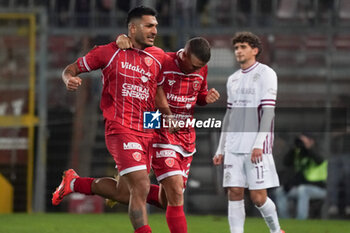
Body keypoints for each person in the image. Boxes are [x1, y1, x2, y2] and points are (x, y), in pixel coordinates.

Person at [52, 6, 170, 233]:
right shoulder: (109, 51)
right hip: (120, 128)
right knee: (142, 185)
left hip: (148, 128)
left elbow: (156, 91)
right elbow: (71, 69)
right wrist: (68, 79)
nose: (154, 30)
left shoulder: (159, 56)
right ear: (132, 28)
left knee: (127, 194)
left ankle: (74, 183)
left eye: (156, 26)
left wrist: (164, 122)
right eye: (149, 26)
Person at [213, 32, 284, 233]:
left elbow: (268, 112)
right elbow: (229, 115)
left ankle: (276, 230)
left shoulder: (266, 74)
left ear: (255, 50)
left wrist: (258, 144)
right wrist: (221, 148)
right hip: (234, 145)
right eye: (236, 48)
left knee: (258, 197)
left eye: (243, 47)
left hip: (256, 146)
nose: (238, 51)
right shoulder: (233, 79)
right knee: (234, 192)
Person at [274, 133, 327, 219]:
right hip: (301, 188)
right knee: (280, 191)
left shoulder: (319, 152)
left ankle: (301, 219)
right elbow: (286, 162)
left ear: (311, 141)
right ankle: (285, 220)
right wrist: (293, 148)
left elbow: (319, 160)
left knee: (303, 190)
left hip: (319, 189)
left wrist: (308, 148)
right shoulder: (299, 153)